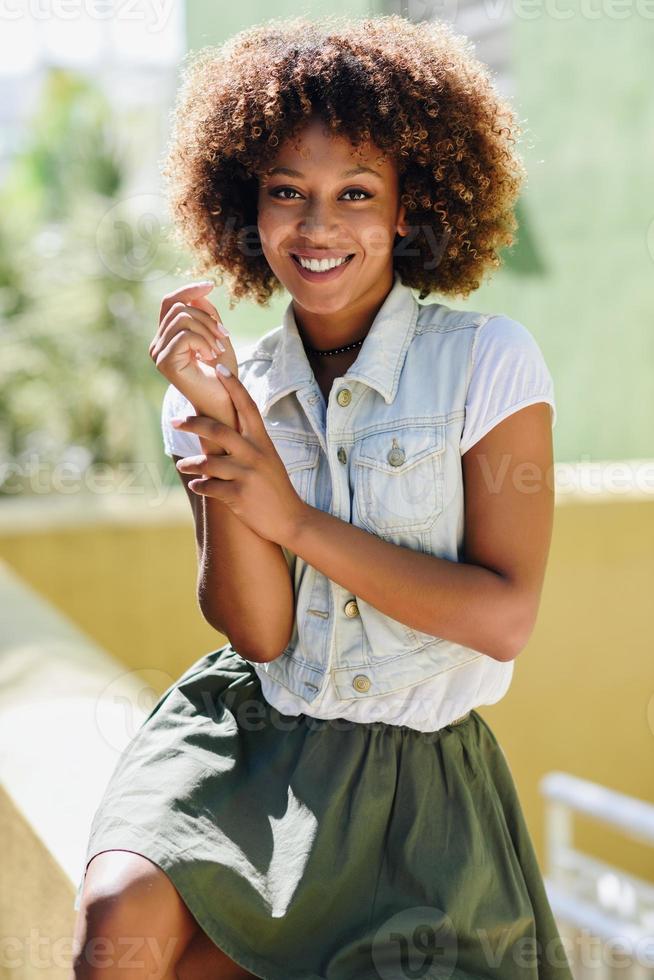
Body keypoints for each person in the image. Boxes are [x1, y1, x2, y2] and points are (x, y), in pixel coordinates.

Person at [71, 13, 574, 980]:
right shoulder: (222, 393)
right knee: (118, 934)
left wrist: (295, 520)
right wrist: (223, 421)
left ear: (407, 210)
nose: (317, 226)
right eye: (286, 193)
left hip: (415, 788)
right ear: (244, 208)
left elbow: (503, 617)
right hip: (250, 747)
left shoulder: (488, 364)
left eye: (356, 193)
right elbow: (258, 634)